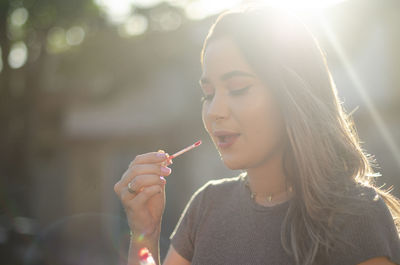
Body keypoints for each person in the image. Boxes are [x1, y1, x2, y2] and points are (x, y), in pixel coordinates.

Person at [114, 6, 400, 265]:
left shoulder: (358, 217)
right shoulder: (206, 207)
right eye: (208, 94)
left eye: (238, 88)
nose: (214, 111)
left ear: (293, 95)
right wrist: (145, 232)